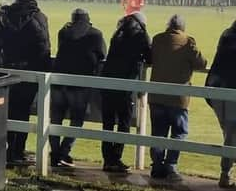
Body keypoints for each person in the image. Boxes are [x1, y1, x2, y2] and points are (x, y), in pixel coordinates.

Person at [0, 0, 51, 167]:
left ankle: (4, 150)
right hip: (28, 72)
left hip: (4, 70)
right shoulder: (39, 17)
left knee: (4, 111)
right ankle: (16, 151)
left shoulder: (2, 15)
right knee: (22, 112)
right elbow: (43, 48)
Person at [149, 14, 207, 181]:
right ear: (182, 27)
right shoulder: (188, 41)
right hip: (178, 98)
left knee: (158, 133)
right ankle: (171, 166)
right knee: (179, 132)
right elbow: (201, 63)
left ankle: (157, 167)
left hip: (157, 95)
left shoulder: (157, 39)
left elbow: (150, 58)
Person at [50, 8, 106, 168]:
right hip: (79, 83)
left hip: (59, 80)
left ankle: (55, 153)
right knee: (77, 119)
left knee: (55, 120)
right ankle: (64, 151)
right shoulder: (95, 34)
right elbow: (102, 54)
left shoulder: (63, 32)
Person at [100, 12, 151, 173]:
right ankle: (115, 158)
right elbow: (149, 58)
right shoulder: (141, 35)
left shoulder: (118, 33)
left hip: (108, 81)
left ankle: (108, 159)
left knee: (108, 123)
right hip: (125, 84)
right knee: (124, 122)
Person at [206, 20, 236, 188]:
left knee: (230, 134)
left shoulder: (226, 34)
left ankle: (226, 173)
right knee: (232, 135)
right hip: (229, 90)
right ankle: (225, 174)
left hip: (216, 89)